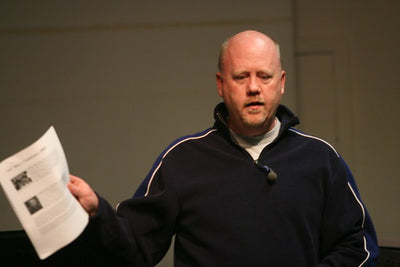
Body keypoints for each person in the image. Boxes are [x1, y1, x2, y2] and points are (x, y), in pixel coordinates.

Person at [68, 30, 378, 266]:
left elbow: (357, 245)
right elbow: (134, 246)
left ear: (281, 83)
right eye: (241, 76)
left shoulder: (320, 158)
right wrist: (98, 212)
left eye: (264, 76)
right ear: (220, 84)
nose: (253, 87)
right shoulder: (183, 159)